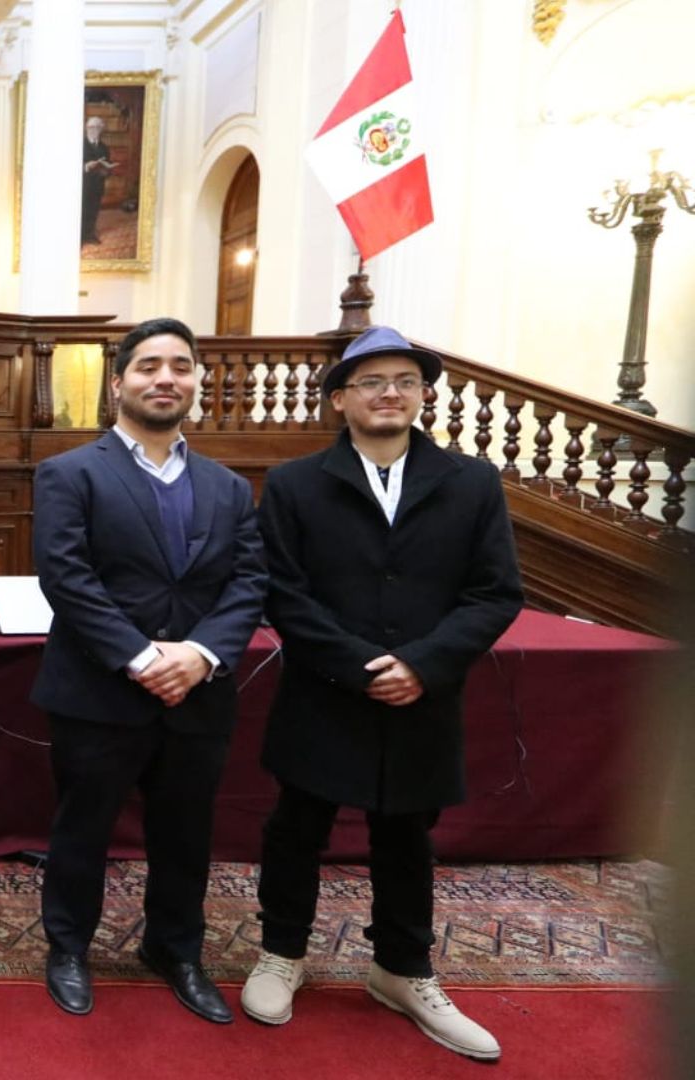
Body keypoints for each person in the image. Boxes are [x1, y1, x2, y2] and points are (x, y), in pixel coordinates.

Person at [240, 326, 523, 1061]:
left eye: (405, 380)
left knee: (406, 836)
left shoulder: (472, 483)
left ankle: (402, 969)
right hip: (325, 691)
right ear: (340, 399)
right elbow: (282, 592)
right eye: (371, 382)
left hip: (422, 695)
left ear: (424, 395)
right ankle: (281, 953)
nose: (389, 393)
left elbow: (495, 593)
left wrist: (422, 665)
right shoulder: (296, 483)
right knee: (296, 826)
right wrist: (362, 666)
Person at [29, 316, 266, 1023]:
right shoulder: (70, 473)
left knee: (186, 835)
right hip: (99, 690)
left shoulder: (229, 486)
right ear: (118, 383)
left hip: (198, 692)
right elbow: (66, 577)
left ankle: (175, 949)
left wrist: (199, 654)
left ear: (196, 382)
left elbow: (250, 581)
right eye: (149, 365)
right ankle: (69, 947)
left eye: (181, 366)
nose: (166, 378)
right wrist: (140, 656)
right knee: (82, 830)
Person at [80, 115, 117, 246]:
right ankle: (78, 237)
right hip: (82, 185)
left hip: (97, 185)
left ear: (101, 129)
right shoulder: (79, 144)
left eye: (97, 127)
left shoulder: (104, 147)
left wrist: (107, 170)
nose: (94, 130)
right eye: (91, 127)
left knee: (93, 211)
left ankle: (89, 234)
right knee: (80, 210)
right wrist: (85, 166)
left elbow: (107, 164)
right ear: (86, 128)